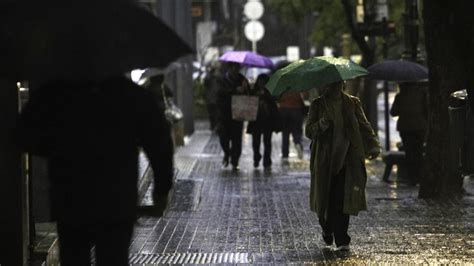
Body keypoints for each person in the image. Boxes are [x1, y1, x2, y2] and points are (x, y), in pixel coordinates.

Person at [17, 76, 174, 266]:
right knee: (113, 257)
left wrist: (58, 148)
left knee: (75, 257)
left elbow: (24, 134)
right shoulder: (129, 93)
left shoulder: (57, 92)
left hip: (71, 196)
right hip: (116, 199)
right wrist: (162, 190)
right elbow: (159, 142)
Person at [305, 81, 380, 251]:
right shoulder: (318, 104)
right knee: (325, 200)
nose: (335, 86)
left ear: (343, 84)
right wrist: (322, 123)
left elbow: (364, 125)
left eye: (339, 82)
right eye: (332, 83)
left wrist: (373, 144)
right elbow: (309, 131)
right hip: (325, 161)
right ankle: (326, 228)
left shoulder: (352, 103)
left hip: (348, 159)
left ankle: (342, 239)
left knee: (342, 199)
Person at [390, 82, 428, 185]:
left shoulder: (400, 96)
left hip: (405, 128)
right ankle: (419, 176)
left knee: (409, 152)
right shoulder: (421, 94)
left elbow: (393, 112)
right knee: (418, 152)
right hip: (419, 127)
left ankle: (412, 178)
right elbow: (427, 110)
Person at [216, 62, 250, 170]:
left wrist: (246, 88)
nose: (236, 70)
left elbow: (249, 95)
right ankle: (227, 153)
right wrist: (234, 90)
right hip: (224, 114)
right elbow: (219, 93)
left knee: (237, 140)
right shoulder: (222, 80)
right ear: (230, 68)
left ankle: (235, 162)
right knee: (223, 138)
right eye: (234, 68)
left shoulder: (242, 80)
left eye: (237, 68)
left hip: (238, 114)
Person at [246, 74, 281, 169]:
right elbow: (248, 100)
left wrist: (265, 96)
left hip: (267, 121)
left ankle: (267, 161)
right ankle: (256, 157)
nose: (262, 84)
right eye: (260, 82)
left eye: (264, 82)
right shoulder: (253, 91)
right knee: (256, 142)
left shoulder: (270, 92)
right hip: (256, 121)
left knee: (267, 142)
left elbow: (274, 102)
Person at [278, 91, 307, 159]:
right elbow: (305, 96)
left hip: (284, 109)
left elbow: (277, 98)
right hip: (296, 109)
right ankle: (297, 143)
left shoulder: (282, 86)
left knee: (285, 133)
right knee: (296, 131)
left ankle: (285, 153)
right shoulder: (296, 85)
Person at [203, 63, 221, 131]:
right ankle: (213, 125)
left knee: (216, 113)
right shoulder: (209, 78)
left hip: (216, 98)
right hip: (210, 99)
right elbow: (206, 81)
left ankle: (215, 126)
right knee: (211, 114)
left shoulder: (217, 78)